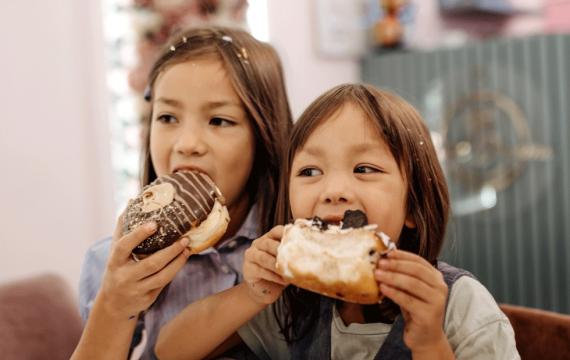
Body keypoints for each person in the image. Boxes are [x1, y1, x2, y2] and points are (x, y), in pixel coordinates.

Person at [155, 83, 520, 360]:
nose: (333, 190)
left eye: (364, 169)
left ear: (414, 206)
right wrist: (251, 294)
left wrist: (429, 341)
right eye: (310, 171)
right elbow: (172, 350)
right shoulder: (293, 303)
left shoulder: (459, 304)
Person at [72, 25, 292, 359]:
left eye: (219, 121)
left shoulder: (289, 248)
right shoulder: (108, 262)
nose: (187, 144)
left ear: (264, 135)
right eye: (167, 117)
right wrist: (115, 306)